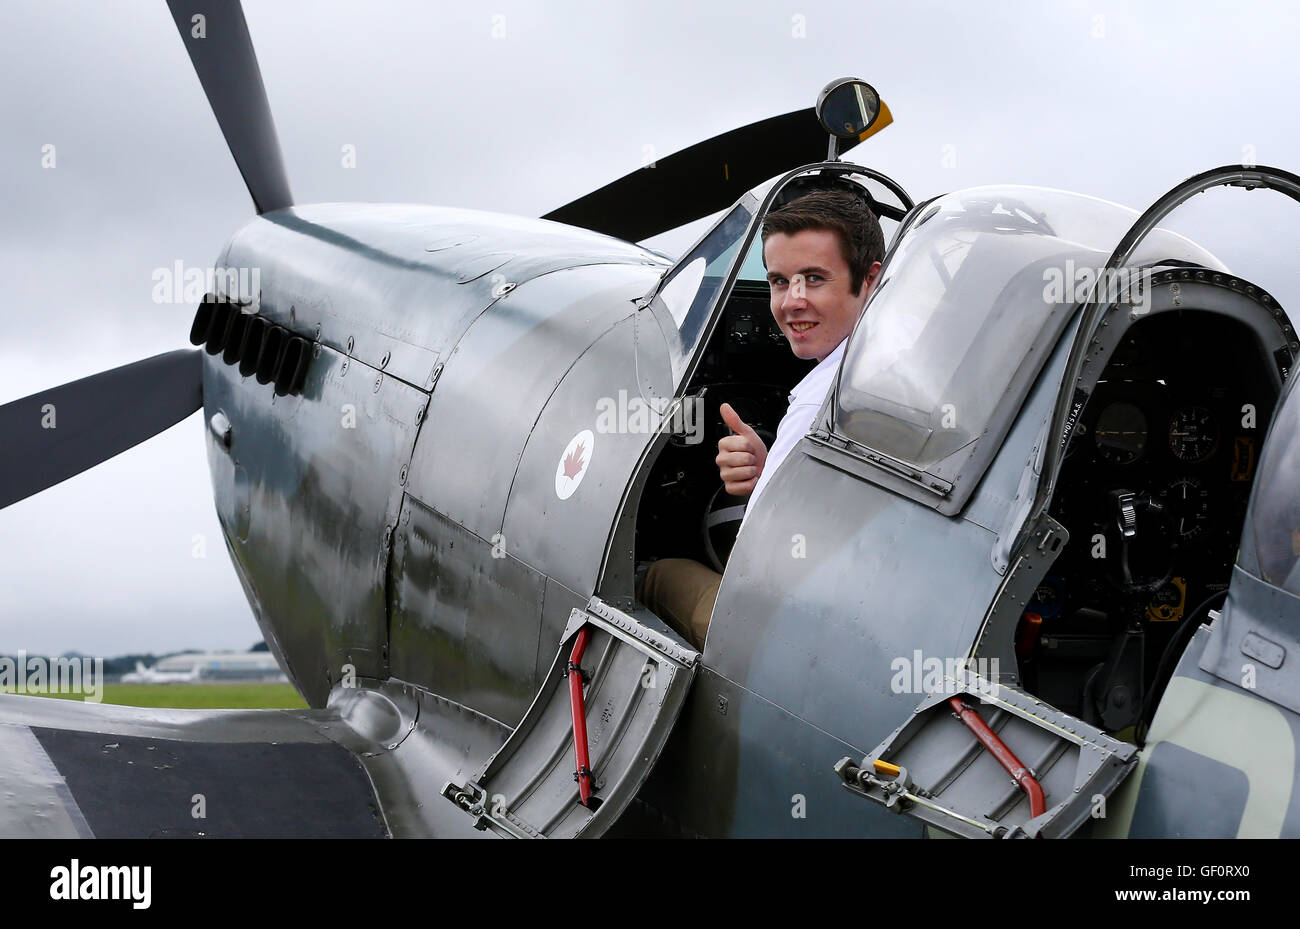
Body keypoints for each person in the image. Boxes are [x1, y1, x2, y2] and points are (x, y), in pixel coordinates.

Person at [638, 189, 886, 649]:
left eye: (814, 279)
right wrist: (771, 471)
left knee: (656, 575)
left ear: (869, 279)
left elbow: (762, 566)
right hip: (877, 608)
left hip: (796, 640)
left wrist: (762, 496)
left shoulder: (818, 403)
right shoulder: (895, 365)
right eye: (778, 281)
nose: (792, 302)